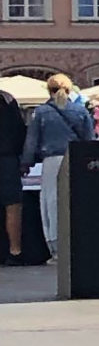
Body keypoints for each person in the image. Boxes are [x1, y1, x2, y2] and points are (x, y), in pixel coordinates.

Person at [26, 75, 94, 257]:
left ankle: (55, 247)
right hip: (76, 160)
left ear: (49, 90)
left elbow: (31, 141)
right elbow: (89, 140)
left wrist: (26, 162)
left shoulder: (41, 112)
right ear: (70, 89)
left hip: (51, 160)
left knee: (50, 202)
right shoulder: (81, 111)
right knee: (75, 201)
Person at [0, 84, 25, 265]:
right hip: (7, 157)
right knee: (13, 205)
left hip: (8, 154)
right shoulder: (7, 99)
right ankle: (15, 250)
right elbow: (20, 130)